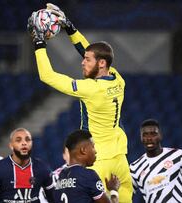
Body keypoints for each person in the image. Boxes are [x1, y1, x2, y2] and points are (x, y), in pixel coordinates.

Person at [27, 4, 133, 202]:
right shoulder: (117, 78)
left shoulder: (91, 89)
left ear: (101, 63)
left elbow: (47, 76)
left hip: (97, 159)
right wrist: (70, 28)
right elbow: (90, 51)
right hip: (120, 160)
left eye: (87, 60)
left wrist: (39, 42)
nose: (82, 62)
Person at [129, 119, 182, 203]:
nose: (149, 138)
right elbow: (126, 196)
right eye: (145, 135)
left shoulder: (179, 155)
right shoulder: (134, 167)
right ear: (141, 137)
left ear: (160, 135)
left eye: (153, 134)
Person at [0, 128, 54, 203]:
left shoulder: (42, 167)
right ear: (11, 145)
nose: (24, 143)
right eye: (18, 140)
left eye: (28, 140)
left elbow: (54, 198)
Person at [53, 129, 120, 203]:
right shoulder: (88, 175)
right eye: (93, 147)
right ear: (83, 150)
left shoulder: (60, 176)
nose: (95, 151)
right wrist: (114, 191)